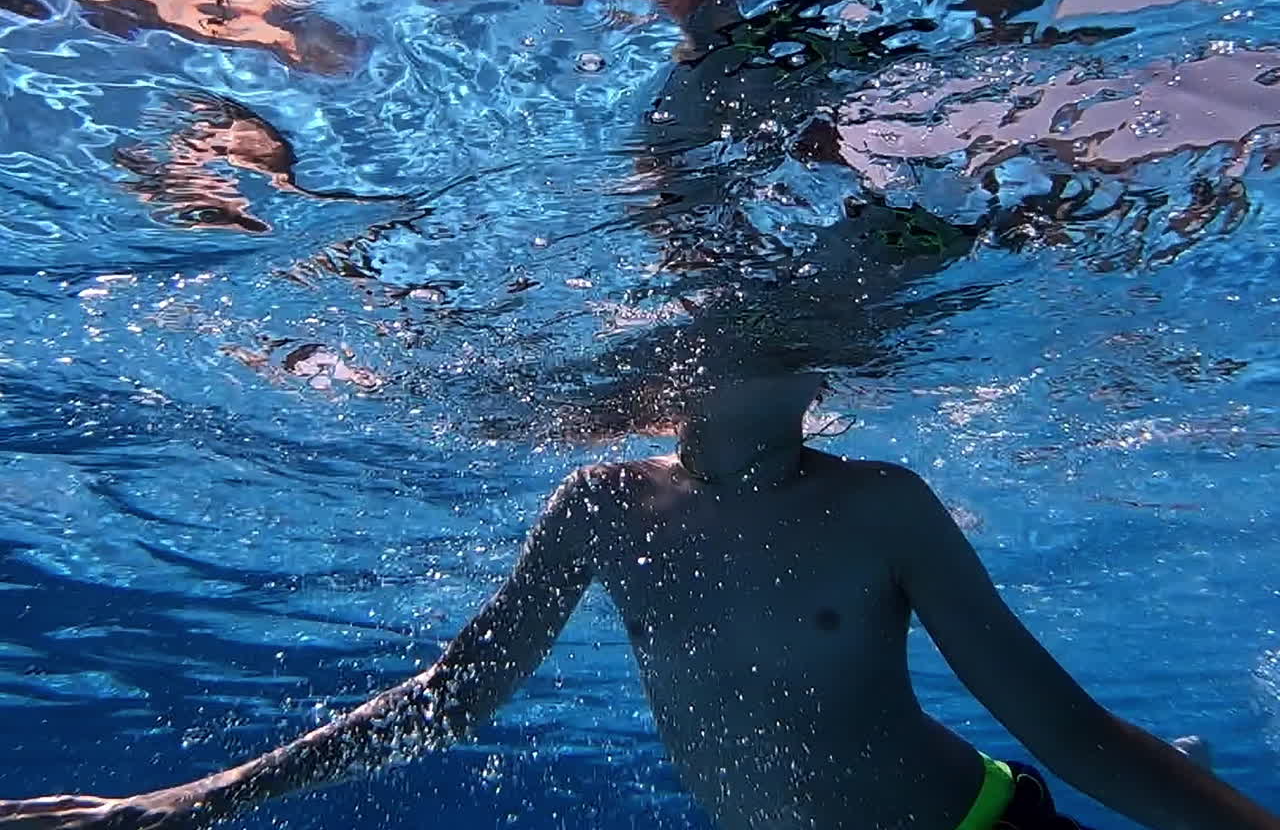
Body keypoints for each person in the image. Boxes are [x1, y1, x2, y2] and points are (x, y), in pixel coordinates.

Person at [0, 358, 1275, 830]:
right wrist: (197, 799)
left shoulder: (880, 501)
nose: (801, 377)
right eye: (763, 355)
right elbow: (454, 699)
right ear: (681, 371)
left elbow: (1063, 727)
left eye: (809, 364)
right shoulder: (601, 504)